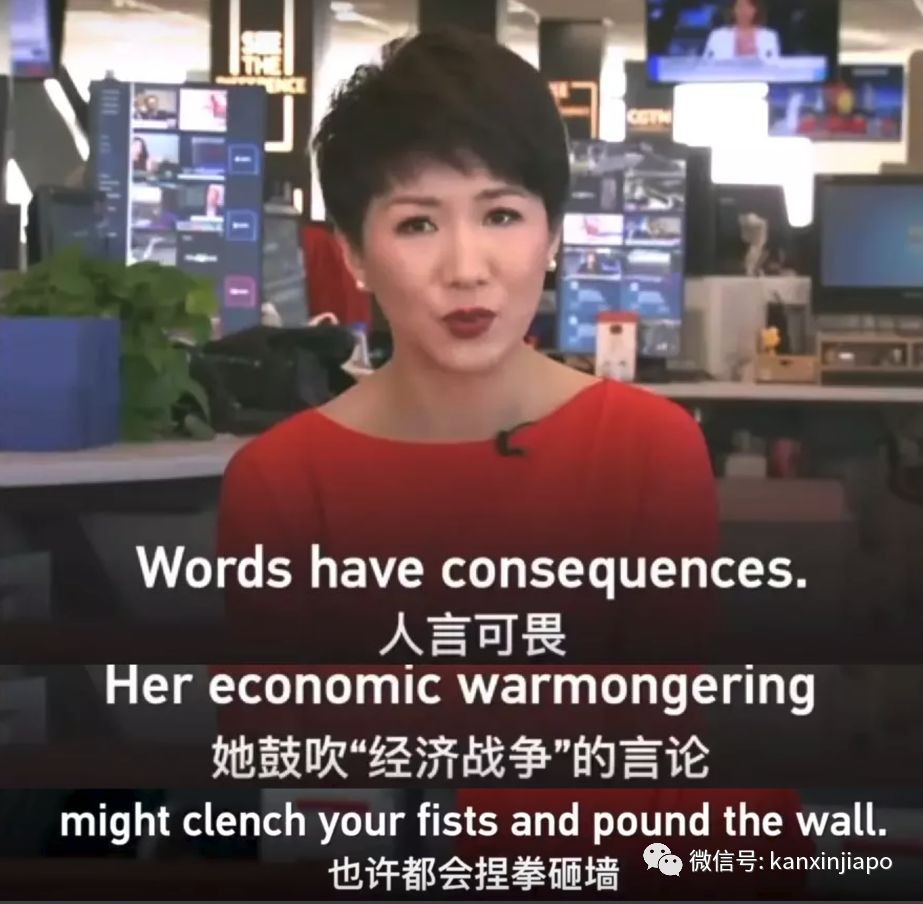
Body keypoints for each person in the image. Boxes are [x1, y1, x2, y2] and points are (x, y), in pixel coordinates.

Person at [217, 28, 810, 896]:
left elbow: (650, 756)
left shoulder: (648, 446)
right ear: (352, 253)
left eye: (501, 215)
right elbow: (310, 790)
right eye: (417, 223)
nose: (468, 269)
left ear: (553, 235)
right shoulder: (280, 480)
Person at [703, 0, 780, 61]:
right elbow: (706, 65)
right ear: (733, 10)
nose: (744, 11)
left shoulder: (769, 36)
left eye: (748, 7)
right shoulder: (718, 36)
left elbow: (773, 65)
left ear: (755, 10)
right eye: (740, 6)